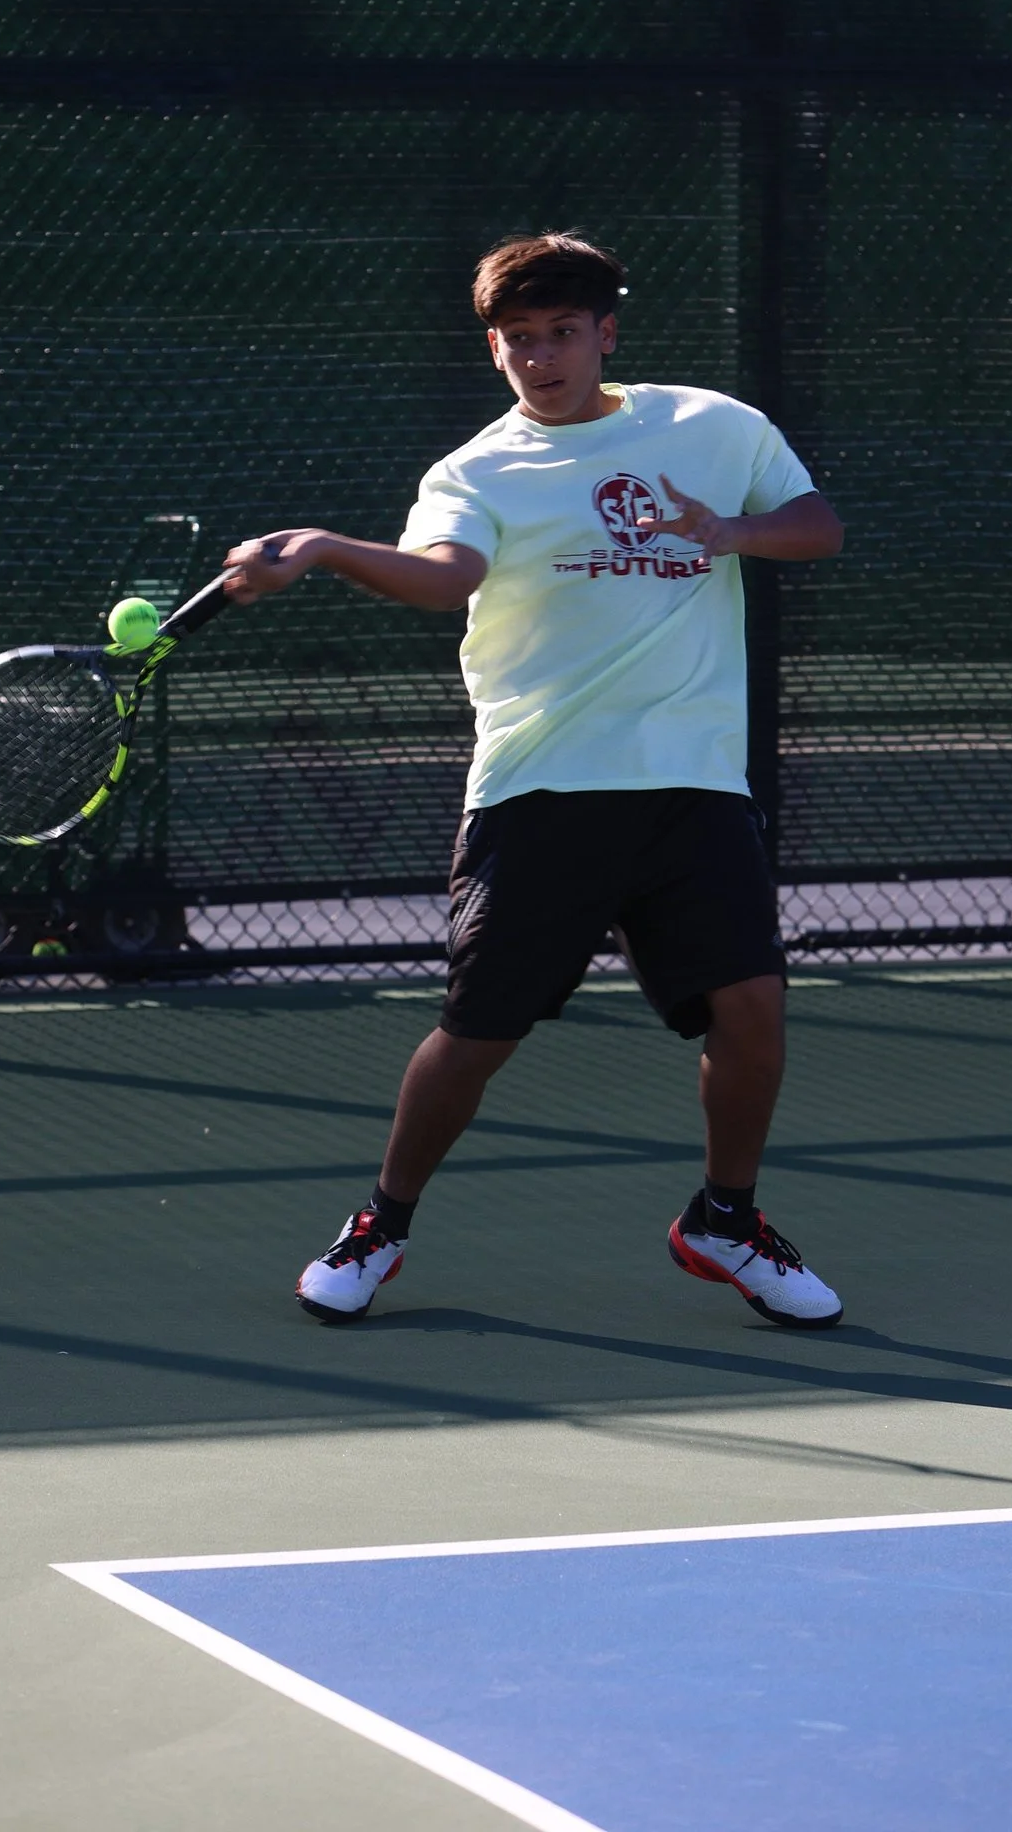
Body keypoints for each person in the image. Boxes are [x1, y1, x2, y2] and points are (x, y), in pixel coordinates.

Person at [222, 232, 845, 1330]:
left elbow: (815, 526)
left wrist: (727, 534)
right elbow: (442, 576)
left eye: (561, 334)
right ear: (496, 350)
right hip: (541, 789)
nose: (541, 358)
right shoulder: (476, 471)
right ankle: (382, 1223)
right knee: (477, 1035)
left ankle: (726, 1220)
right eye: (518, 341)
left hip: (692, 784)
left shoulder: (714, 426)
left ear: (607, 331)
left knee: (753, 1014)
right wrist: (323, 546)